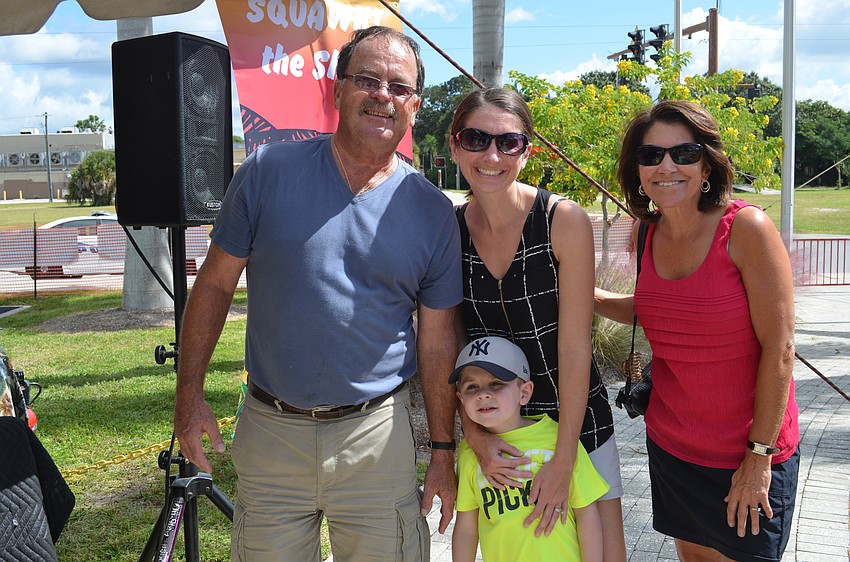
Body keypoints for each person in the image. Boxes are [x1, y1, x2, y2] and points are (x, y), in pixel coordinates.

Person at [172, 26, 462, 561]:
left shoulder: (433, 213)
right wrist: (188, 400)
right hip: (270, 433)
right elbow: (213, 286)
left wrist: (443, 452)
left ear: (415, 106)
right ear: (337, 89)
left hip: (378, 439)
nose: (383, 95)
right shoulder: (265, 172)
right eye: (367, 80)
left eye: (399, 87)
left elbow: (438, 342)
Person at [594, 100, 800, 561]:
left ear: (707, 162)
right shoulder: (646, 233)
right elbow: (664, 313)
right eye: (651, 156)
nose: (666, 166)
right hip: (673, 447)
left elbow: (781, 349)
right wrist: (583, 292)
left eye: (683, 153)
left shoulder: (747, 229)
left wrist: (758, 457)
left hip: (745, 456)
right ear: (638, 170)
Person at [450, 87, 627, 561]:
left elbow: (574, 347)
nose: (492, 155)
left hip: (577, 424)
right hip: (498, 426)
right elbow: (448, 343)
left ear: (527, 152)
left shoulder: (561, 219)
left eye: (509, 142)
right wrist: (476, 438)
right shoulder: (447, 230)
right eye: (476, 139)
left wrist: (564, 456)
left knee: (606, 555)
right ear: (454, 145)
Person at [451, 336, 608, 562]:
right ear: (460, 398)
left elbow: (587, 512)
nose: (482, 394)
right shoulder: (469, 453)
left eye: (496, 383)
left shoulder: (557, 439)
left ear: (524, 392)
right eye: (471, 387)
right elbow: (466, 527)